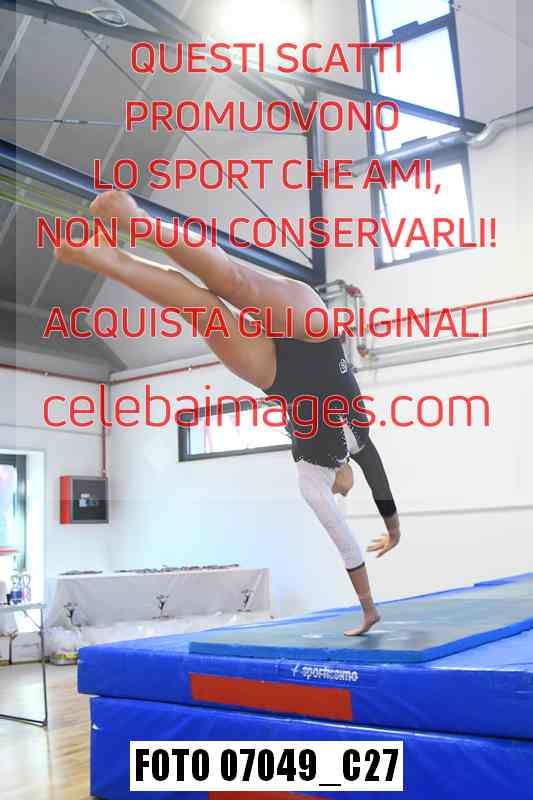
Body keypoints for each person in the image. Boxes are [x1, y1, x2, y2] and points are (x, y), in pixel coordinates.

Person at [55, 190, 400, 635]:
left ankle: (106, 259)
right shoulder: (359, 443)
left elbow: (346, 543)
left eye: (340, 489)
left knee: (200, 308)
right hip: (316, 338)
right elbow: (378, 481)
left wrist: (369, 607)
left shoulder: (311, 478)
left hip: (277, 376)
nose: (341, 489)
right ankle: (136, 220)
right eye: (344, 487)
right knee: (237, 284)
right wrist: (393, 530)